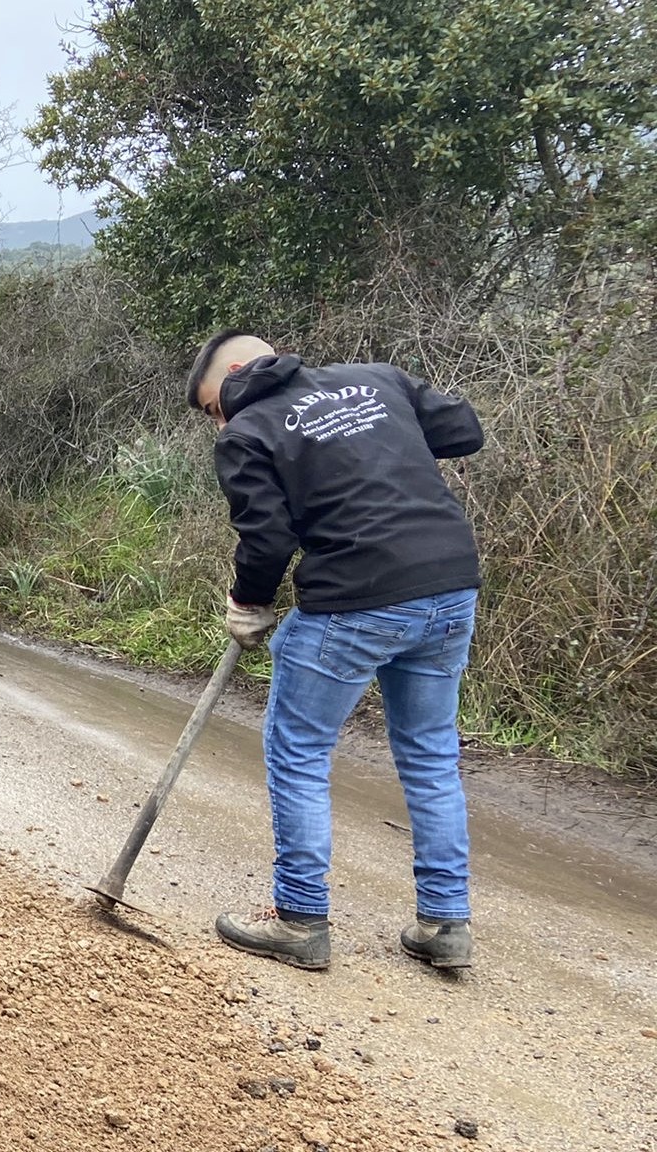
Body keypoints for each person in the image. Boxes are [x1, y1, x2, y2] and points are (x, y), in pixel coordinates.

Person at [189, 331, 486, 972]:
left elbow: (266, 537)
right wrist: (374, 440)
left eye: (215, 405)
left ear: (239, 371)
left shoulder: (247, 433)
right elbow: (464, 430)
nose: (221, 419)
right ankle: (445, 922)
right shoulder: (379, 378)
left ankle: (300, 920)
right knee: (431, 754)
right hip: (449, 585)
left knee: (298, 750)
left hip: (357, 598)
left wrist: (249, 602)